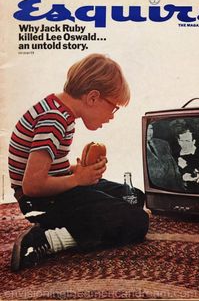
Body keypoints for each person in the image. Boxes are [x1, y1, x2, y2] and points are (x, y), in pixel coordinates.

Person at [8, 54, 149, 272]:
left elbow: (49, 169)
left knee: (134, 197)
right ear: (93, 97)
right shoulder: (54, 120)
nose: (112, 116)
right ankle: (46, 239)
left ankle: (71, 223)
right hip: (40, 202)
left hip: (52, 196)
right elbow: (32, 186)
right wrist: (77, 179)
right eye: (113, 108)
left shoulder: (60, 111)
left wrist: (80, 172)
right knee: (137, 222)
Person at [146, 124, 184, 191]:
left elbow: (174, 168)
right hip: (155, 190)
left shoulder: (163, 144)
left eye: (151, 128)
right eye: (146, 129)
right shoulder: (136, 148)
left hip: (173, 188)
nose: (149, 132)